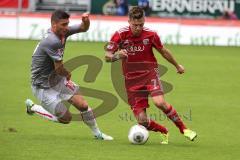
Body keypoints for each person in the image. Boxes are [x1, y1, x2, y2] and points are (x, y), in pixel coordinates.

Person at [105, 6, 197, 144]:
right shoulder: (119, 35)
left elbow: (163, 51)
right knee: (142, 121)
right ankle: (163, 131)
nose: (138, 28)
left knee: (160, 102)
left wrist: (177, 65)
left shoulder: (151, 34)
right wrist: (117, 55)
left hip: (149, 74)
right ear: (129, 21)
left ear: (144, 21)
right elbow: (107, 56)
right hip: (131, 80)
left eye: (141, 24)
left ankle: (184, 129)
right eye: (135, 25)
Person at [25, 9, 113, 140]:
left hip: (57, 80)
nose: (67, 27)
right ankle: (33, 107)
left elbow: (83, 28)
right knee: (66, 119)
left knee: (83, 105)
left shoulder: (62, 32)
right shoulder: (51, 41)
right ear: (54, 25)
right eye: (63, 24)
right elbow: (60, 69)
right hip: (43, 87)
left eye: (68, 23)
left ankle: (97, 134)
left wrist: (86, 21)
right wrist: (68, 74)